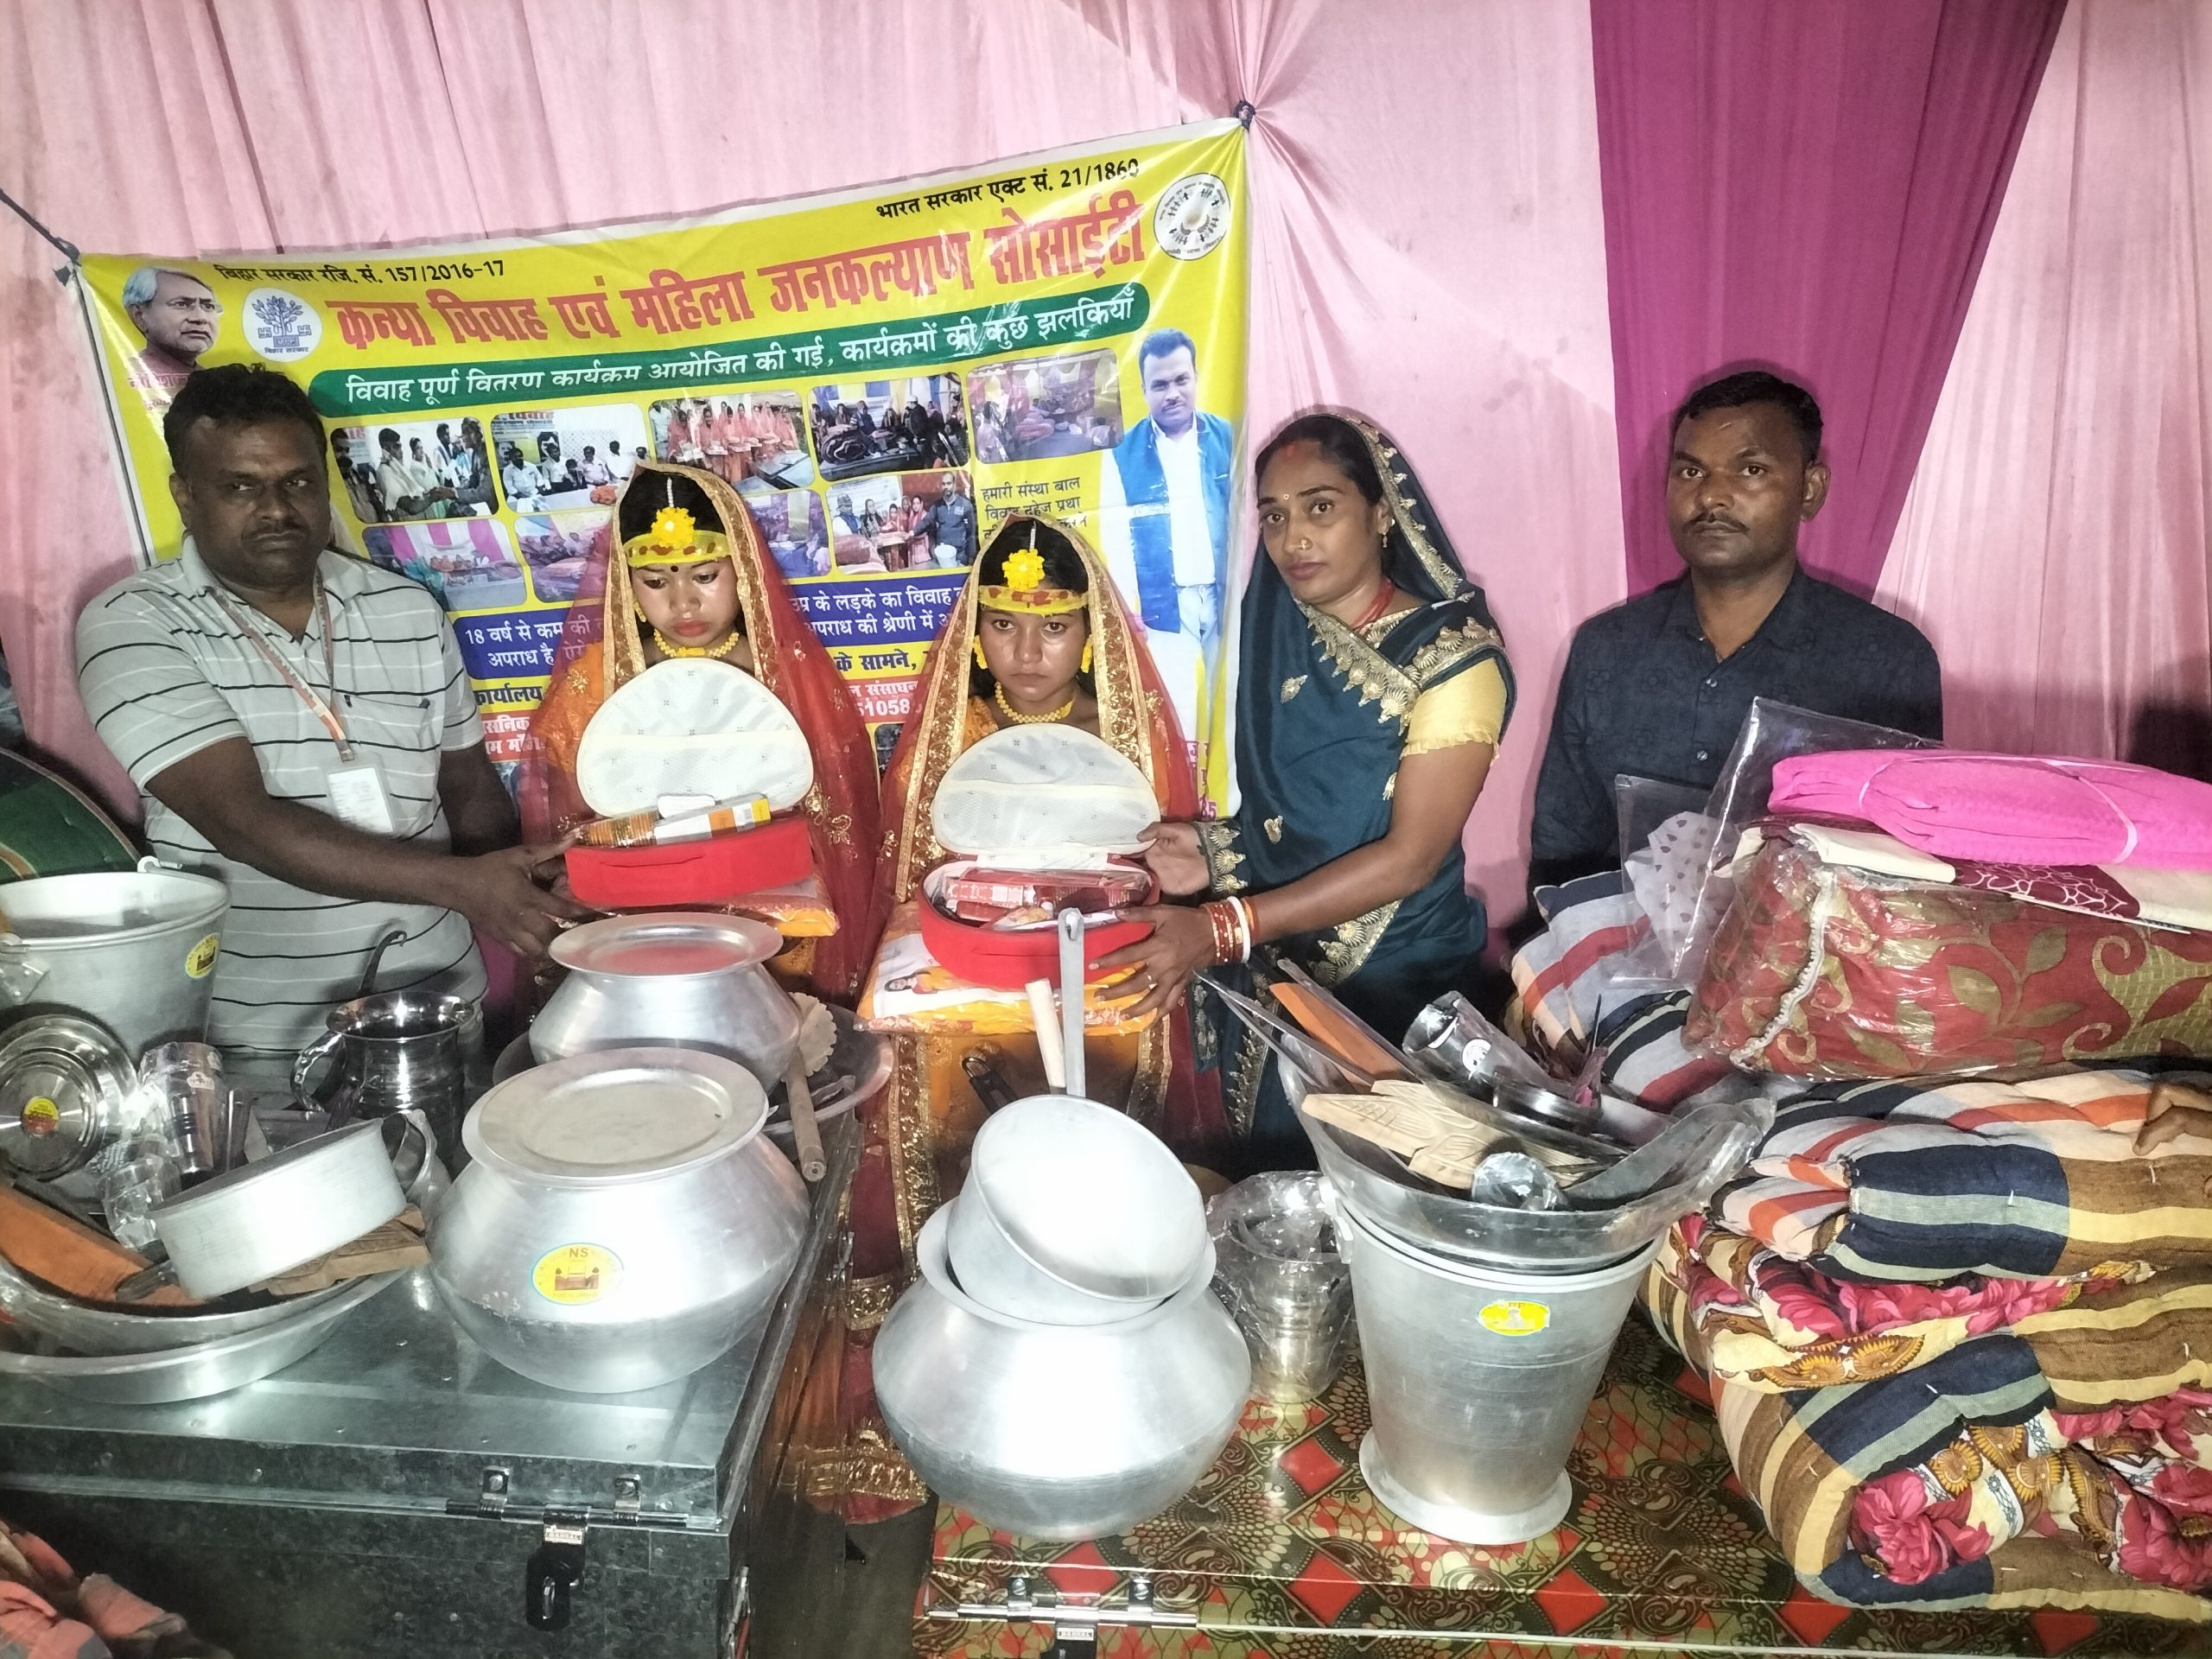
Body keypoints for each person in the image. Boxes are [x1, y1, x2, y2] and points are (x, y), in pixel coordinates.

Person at [846, 514, 1220, 1516]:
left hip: (1098, 987)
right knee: (966, 1148)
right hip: (969, 986)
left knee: (1092, 1158)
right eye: (1004, 625)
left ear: (1087, 634)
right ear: (977, 635)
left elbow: (1160, 887)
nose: (1026, 651)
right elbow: (916, 882)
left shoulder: (1124, 737)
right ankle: (961, 1346)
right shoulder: (946, 741)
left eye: (1052, 627)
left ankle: (1103, 1330)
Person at [74, 365, 581, 1065]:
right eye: (240, 487)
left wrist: (529, 884)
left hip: (437, 1006)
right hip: (259, 1035)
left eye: (297, 482)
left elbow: (467, 790)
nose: (276, 509)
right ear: (186, 496)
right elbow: (242, 823)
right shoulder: (133, 623)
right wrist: (466, 887)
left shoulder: (406, 609)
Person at [1109, 413, 1513, 1166]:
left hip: (1393, 987)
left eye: (1320, 507)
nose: (1294, 537)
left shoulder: (1454, 661)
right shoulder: (1280, 627)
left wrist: (1222, 927)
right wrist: (1212, 851)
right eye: (1274, 516)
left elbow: (1410, 858)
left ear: (1382, 514)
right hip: (1276, 960)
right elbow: (1296, 818)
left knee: (1365, 1195)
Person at [1529, 370, 1943, 887]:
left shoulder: (1888, 661)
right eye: (1690, 472)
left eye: (1750, 470)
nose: (1711, 498)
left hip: (1816, 939)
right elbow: (1561, 851)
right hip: (1619, 936)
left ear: (1810, 490)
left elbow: (1908, 872)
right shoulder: (1608, 650)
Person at [519, 461, 881, 999]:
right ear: (627, 585)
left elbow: (833, 817)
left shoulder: (785, 673)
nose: (683, 602)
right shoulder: (598, 680)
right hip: (642, 915)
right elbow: (574, 824)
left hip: (775, 919)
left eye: (706, 576)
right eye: (655, 581)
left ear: (743, 571)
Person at [1099, 328, 1235, 651]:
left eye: (1181, 380)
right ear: (1144, 390)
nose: (1172, 394)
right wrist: (1127, 607)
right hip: (1161, 607)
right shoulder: (1121, 452)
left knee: (1236, 683)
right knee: (1170, 687)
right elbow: (1116, 536)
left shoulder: (1228, 435)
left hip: (1228, 596)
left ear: (1196, 378)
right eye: (1160, 385)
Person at [120, 265, 222, 414]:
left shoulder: (219, 383)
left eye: (208, 306)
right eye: (181, 304)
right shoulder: (121, 376)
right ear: (139, 315)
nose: (200, 318)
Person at [376, 428, 452, 518]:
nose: (401, 451)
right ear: (386, 447)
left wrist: (430, 493)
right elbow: (411, 507)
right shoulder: (385, 472)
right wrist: (432, 497)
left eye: (400, 447)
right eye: (396, 447)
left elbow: (415, 495)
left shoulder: (399, 468)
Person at [914, 472, 976, 567]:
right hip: (942, 556)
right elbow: (926, 521)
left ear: (954, 485)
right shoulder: (937, 506)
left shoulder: (965, 505)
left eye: (949, 483)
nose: (946, 486)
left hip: (960, 556)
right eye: (943, 484)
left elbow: (971, 534)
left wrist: (971, 558)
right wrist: (913, 532)